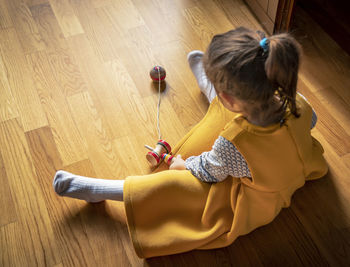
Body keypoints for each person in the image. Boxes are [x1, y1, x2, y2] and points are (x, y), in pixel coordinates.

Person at [53, 27, 328, 258]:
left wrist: (182, 163)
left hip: (257, 197)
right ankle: (210, 89)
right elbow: (310, 123)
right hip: (289, 165)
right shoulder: (297, 101)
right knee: (230, 115)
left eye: (222, 92)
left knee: (176, 184)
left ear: (230, 98)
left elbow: (207, 170)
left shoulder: (233, 145)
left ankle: (100, 190)